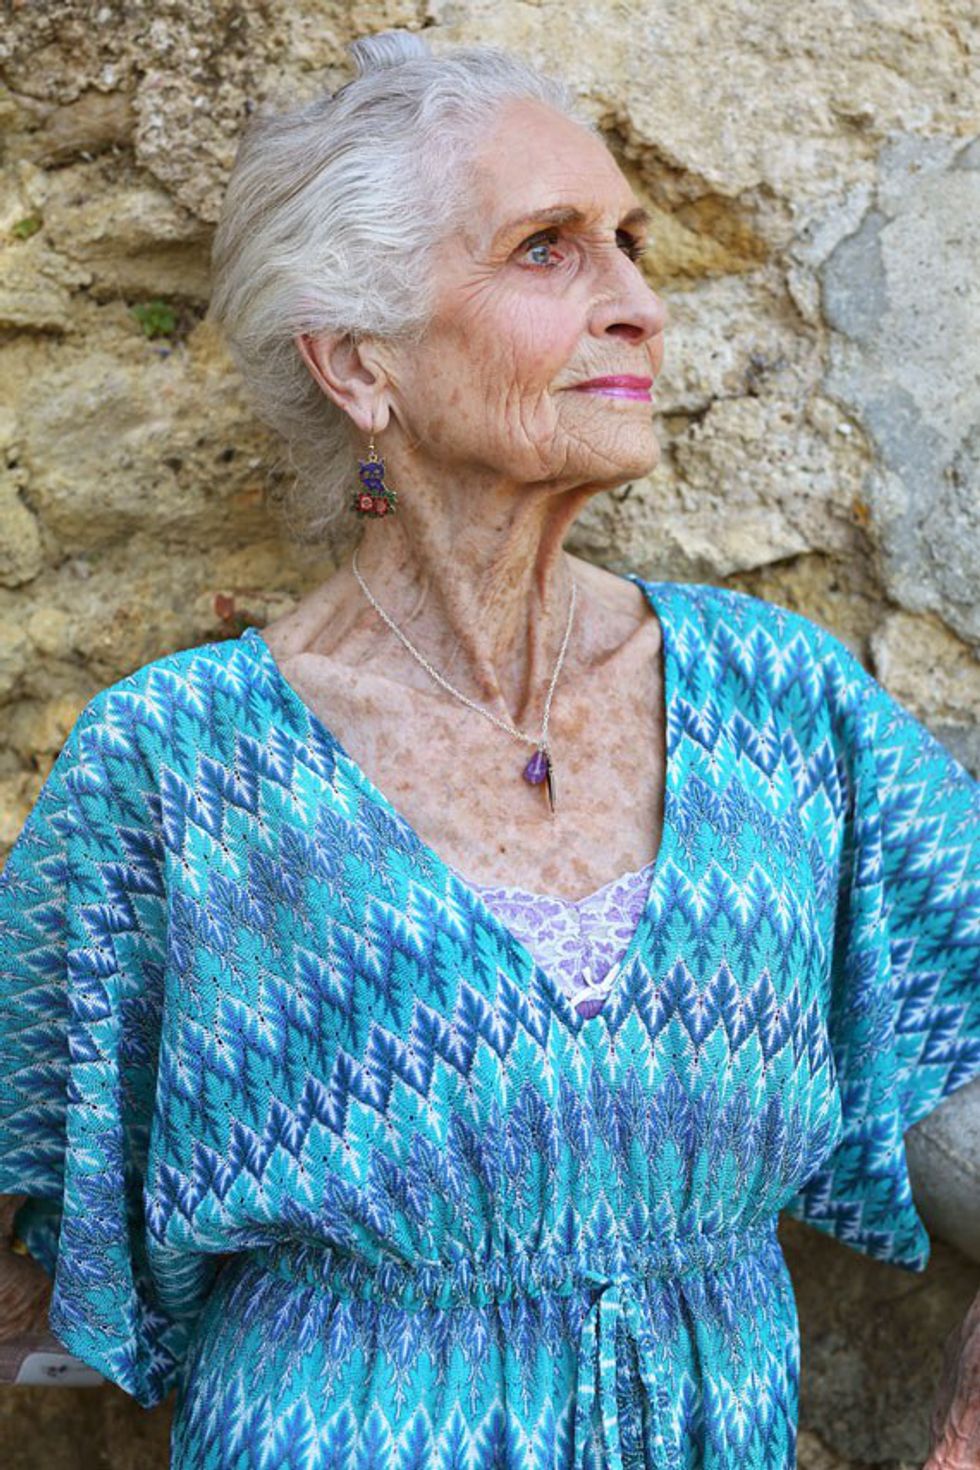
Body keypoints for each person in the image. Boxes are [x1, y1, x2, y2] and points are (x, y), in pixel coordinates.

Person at [1, 26, 978, 1470]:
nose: (640, 305)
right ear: (359, 363)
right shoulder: (176, 773)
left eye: (630, 245)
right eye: (547, 249)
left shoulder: (787, 707)